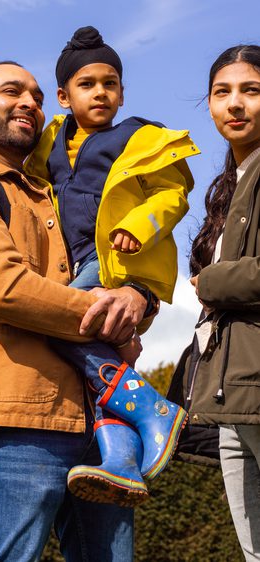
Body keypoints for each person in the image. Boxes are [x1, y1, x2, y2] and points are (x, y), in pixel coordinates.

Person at [0, 61, 149, 561]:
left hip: (100, 423)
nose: (29, 101)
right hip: (18, 417)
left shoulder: (54, 194)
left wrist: (138, 301)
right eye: (11, 92)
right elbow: (4, 289)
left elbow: (115, 275)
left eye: (37, 95)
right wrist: (103, 318)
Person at [25, 26, 199, 505]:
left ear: (122, 92)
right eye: (87, 84)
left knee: (56, 322)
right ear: (63, 96)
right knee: (93, 360)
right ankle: (120, 459)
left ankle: (151, 409)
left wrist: (140, 226)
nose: (100, 92)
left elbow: (173, 194)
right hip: (73, 260)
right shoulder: (52, 141)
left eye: (110, 83)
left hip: (114, 261)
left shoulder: (140, 137)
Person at [185, 44, 260, 561]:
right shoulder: (229, 185)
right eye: (222, 92)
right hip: (230, 395)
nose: (235, 103)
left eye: (251, 90)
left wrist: (210, 282)